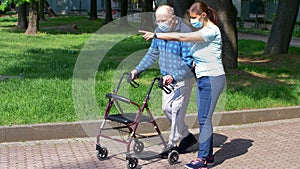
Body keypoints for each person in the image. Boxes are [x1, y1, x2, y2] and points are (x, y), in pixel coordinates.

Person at [139, 2, 226, 169]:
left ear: (203, 16)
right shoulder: (201, 30)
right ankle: (207, 157)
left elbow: (181, 37)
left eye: (193, 17)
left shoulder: (211, 30)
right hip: (203, 78)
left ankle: (202, 160)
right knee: (203, 119)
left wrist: (156, 35)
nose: (191, 20)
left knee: (204, 120)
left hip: (213, 78)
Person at [131, 5, 197, 154]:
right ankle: (187, 136)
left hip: (183, 78)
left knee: (176, 110)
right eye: (157, 20)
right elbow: (152, 54)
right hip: (166, 79)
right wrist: (137, 70)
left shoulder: (184, 33)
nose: (160, 23)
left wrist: (174, 75)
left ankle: (172, 144)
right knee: (166, 108)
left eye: (163, 20)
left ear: (172, 19)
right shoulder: (159, 31)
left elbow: (189, 62)